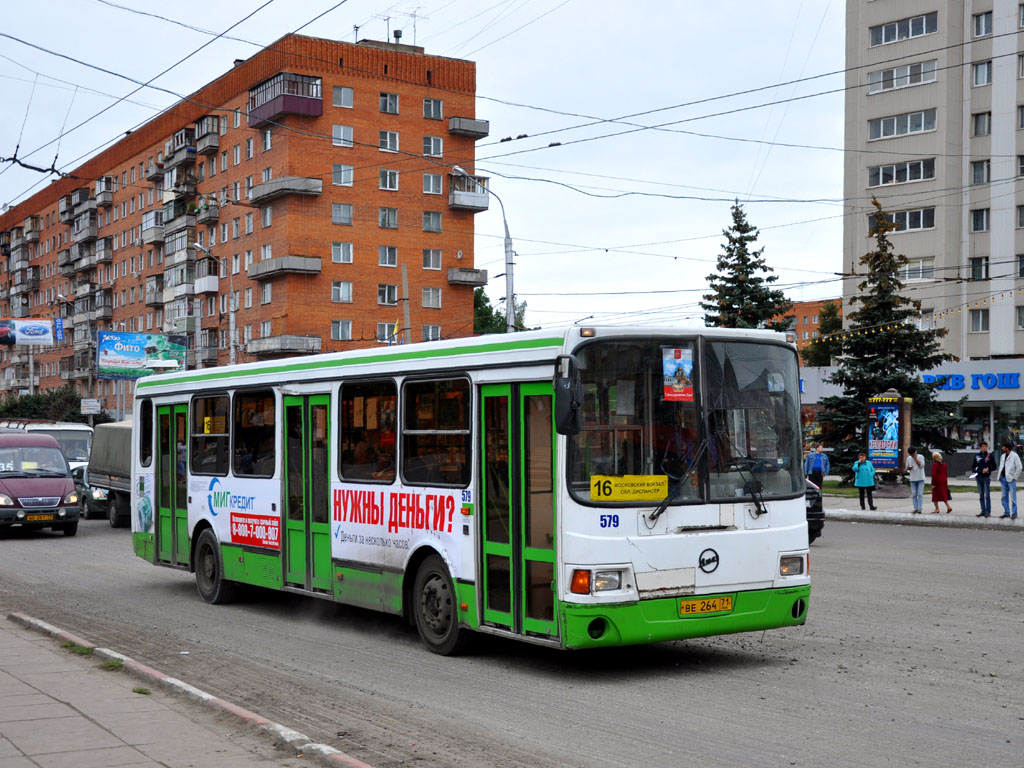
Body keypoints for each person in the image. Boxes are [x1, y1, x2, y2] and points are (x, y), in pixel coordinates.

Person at [996, 441, 1021, 519]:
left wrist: (1015, 477)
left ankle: (1014, 513)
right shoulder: (1002, 456)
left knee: (1013, 497)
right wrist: (999, 476)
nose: (1002, 448)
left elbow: (1019, 467)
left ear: (1007, 448)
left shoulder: (1015, 456)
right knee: (1004, 496)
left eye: (1004, 447)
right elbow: (1001, 466)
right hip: (1003, 478)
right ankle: (1006, 512)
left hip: (1011, 479)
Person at [971, 441, 997, 518]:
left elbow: (994, 466)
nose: (984, 447)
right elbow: (973, 466)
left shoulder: (990, 456)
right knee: (981, 495)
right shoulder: (977, 455)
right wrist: (973, 472)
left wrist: (988, 469)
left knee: (987, 495)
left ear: (987, 447)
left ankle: (988, 511)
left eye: (985, 446)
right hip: (978, 477)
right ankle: (983, 510)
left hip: (986, 477)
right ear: (980, 447)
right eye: (982, 446)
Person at [905, 447, 925, 514]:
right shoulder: (908, 458)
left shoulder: (921, 456)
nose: (912, 455)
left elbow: (921, 466)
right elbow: (906, 468)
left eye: (913, 454)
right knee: (914, 494)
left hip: (920, 478)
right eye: (911, 454)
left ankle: (920, 508)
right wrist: (909, 468)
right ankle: (915, 508)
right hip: (913, 478)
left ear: (915, 452)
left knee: (919, 494)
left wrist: (915, 458)